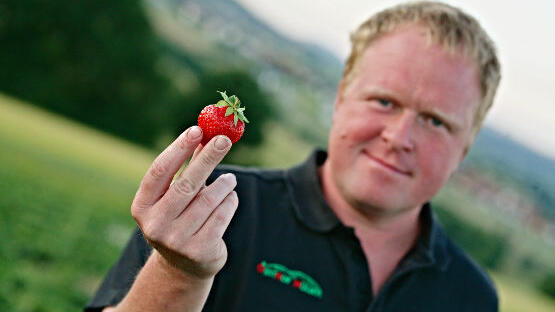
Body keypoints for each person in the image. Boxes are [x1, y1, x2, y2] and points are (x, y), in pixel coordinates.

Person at [85, 1, 501, 311]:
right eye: (384, 101)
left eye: (435, 121)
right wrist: (179, 274)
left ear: (466, 144)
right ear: (340, 99)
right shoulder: (215, 209)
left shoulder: (472, 297)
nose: (399, 136)